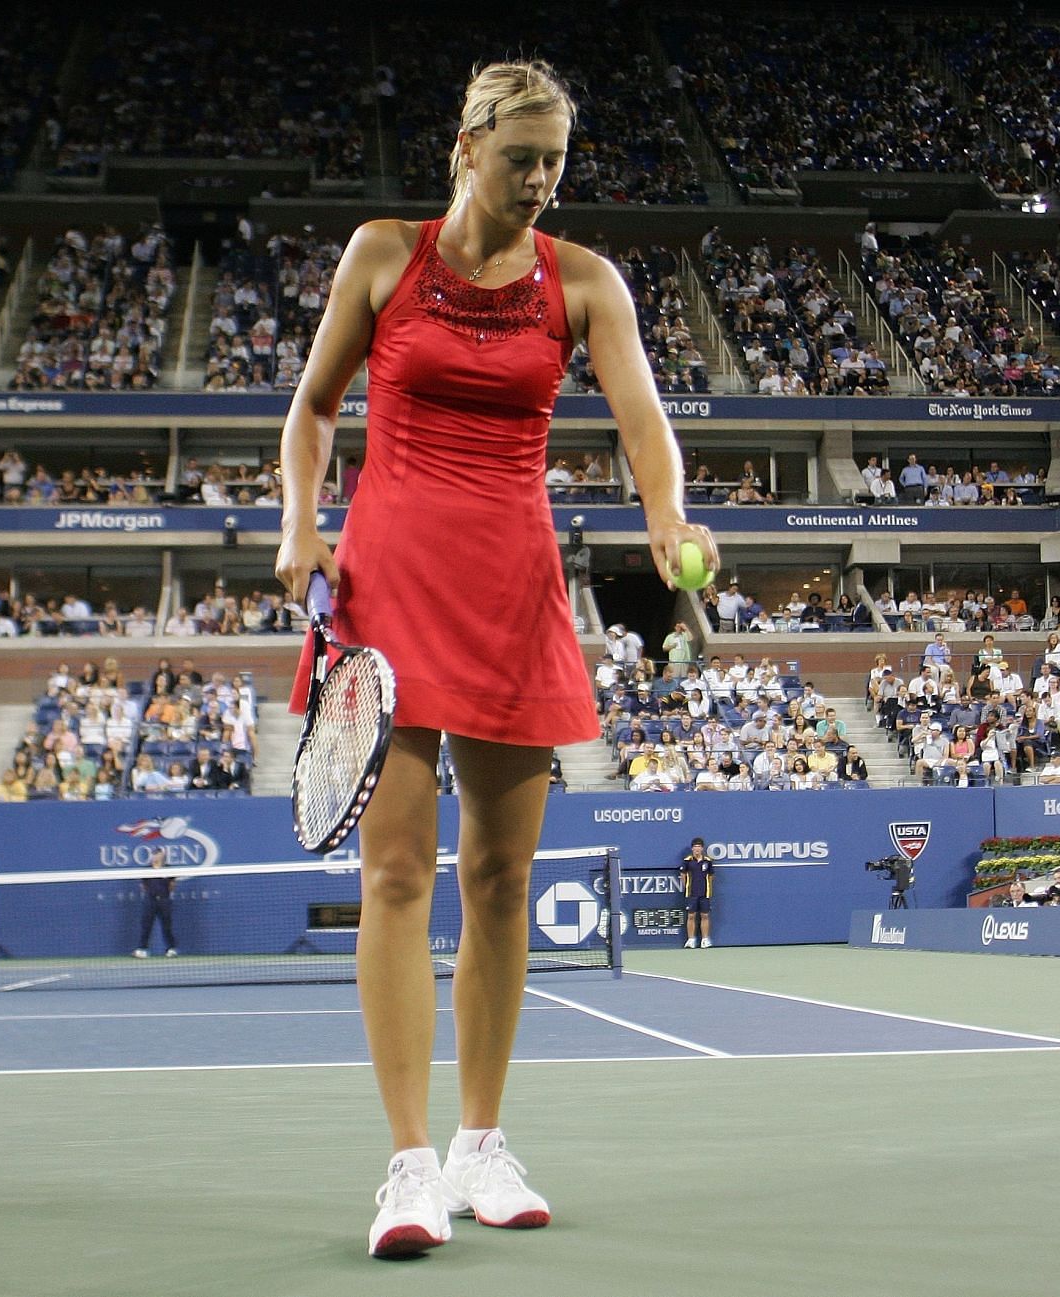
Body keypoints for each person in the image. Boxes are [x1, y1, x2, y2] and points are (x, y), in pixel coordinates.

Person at [272, 61, 719, 1260]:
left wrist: (666, 516)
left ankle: (481, 1142)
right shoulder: (382, 256)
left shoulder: (583, 282)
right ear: (463, 148)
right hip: (391, 578)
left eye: (555, 163)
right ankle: (409, 1164)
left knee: (502, 880)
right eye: (520, 158)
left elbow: (641, 420)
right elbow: (313, 408)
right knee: (400, 876)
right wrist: (299, 524)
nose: (539, 182)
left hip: (514, 585)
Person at [132, 847, 177, 958]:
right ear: (152, 856)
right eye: (155, 854)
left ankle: (171, 949)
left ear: (163, 856)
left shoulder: (169, 869)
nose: (157, 856)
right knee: (146, 926)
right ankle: (142, 949)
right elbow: (143, 886)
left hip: (164, 900)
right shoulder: (146, 870)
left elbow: (172, 885)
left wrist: (163, 894)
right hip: (150, 901)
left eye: (159, 854)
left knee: (167, 926)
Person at [679, 836, 714, 949]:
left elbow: (712, 876)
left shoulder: (707, 861)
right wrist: (687, 887)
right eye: (695, 847)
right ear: (692, 849)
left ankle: (705, 940)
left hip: (705, 893)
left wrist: (706, 886)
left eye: (699, 847)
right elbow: (683, 875)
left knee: (705, 915)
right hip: (691, 893)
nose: (697, 849)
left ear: (702, 848)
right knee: (691, 916)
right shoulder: (687, 861)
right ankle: (691, 940)